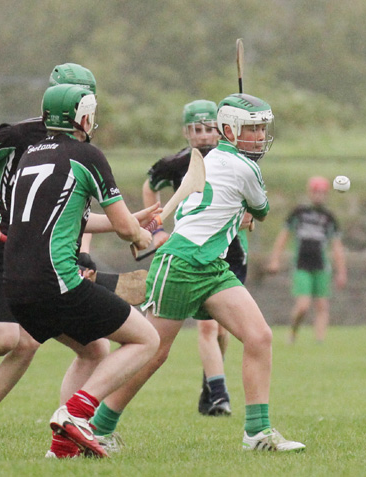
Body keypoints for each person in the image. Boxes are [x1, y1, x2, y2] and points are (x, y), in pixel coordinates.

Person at [91, 93, 306, 452]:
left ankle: (257, 433)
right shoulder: (245, 167)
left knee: (259, 336)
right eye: (250, 128)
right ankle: (96, 427)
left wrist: (241, 210)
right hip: (183, 262)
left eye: (261, 128)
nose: (258, 135)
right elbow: (262, 209)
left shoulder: (217, 157)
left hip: (212, 265)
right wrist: (248, 210)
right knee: (152, 351)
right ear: (228, 130)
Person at [0, 63, 114, 432]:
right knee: (7, 338)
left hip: (40, 255)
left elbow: (78, 214)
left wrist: (85, 251)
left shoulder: (80, 149)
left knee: (51, 345)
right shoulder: (17, 135)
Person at [2, 83, 160, 458]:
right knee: (146, 340)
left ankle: (63, 446)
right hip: (56, 279)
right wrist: (142, 235)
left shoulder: (30, 155)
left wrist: (133, 222)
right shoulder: (86, 154)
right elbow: (126, 232)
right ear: (84, 117)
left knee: (93, 350)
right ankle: (76, 413)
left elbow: (72, 215)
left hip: (17, 285)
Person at [142, 99, 252, 416]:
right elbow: (150, 186)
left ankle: (210, 383)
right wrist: (157, 228)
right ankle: (219, 395)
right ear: (186, 132)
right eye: (196, 130)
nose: (203, 136)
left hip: (231, 250)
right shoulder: (177, 163)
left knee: (221, 329)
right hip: (194, 251)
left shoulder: (234, 161)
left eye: (208, 129)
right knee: (207, 328)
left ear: (220, 130)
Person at [267, 176, 347, 343]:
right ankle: (293, 332)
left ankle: (319, 341)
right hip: (301, 264)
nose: (319, 195)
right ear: (310, 193)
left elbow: (337, 246)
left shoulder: (328, 217)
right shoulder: (299, 213)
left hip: (321, 265)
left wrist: (341, 271)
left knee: (322, 306)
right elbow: (283, 237)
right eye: (316, 192)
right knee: (303, 306)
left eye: (323, 193)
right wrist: (275, 259)